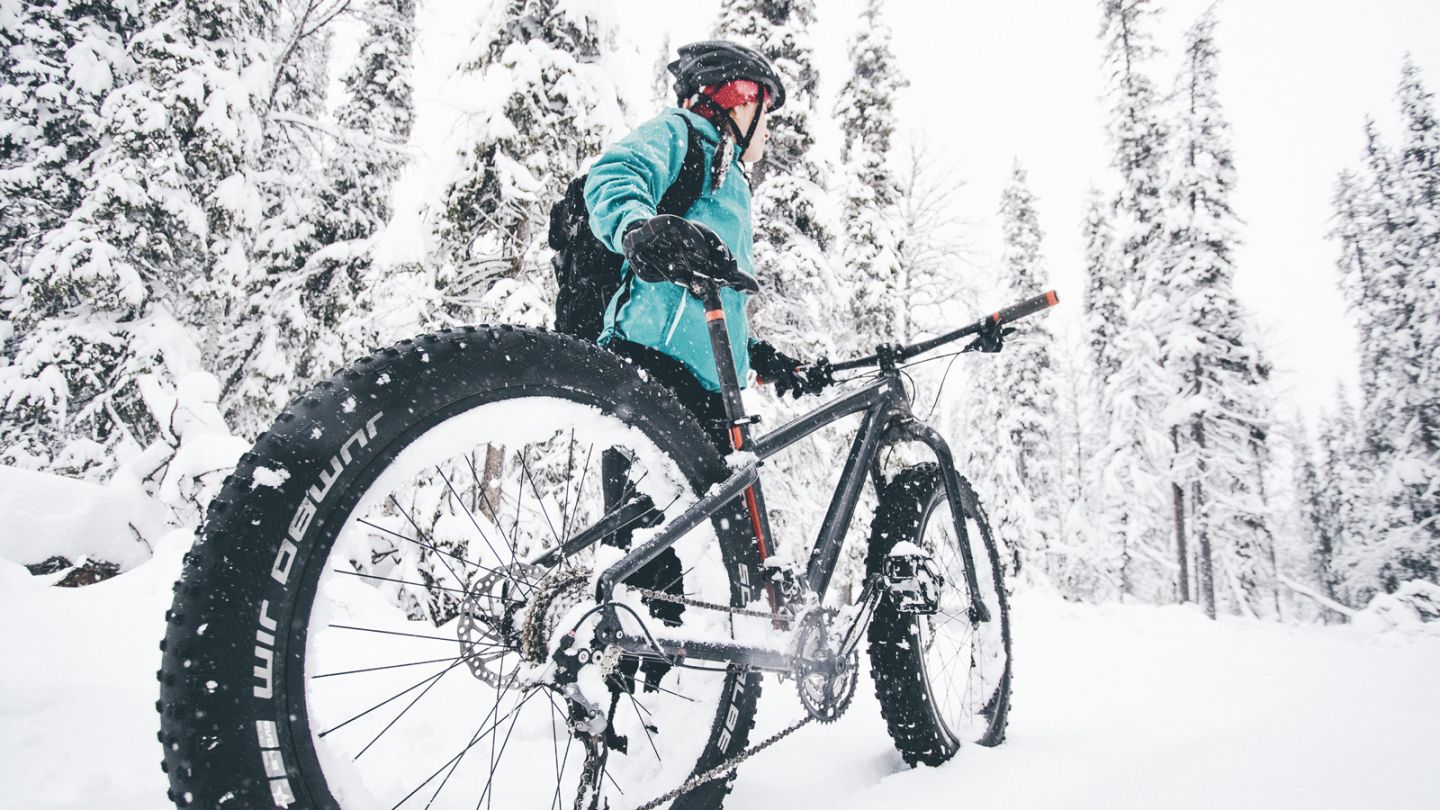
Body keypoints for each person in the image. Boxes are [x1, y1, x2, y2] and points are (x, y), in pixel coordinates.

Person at [584, 39, 830, 455]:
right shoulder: (682, 134)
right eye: (763, 111)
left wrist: (757, 359)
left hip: (715, 393)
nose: (767, 127)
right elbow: (615, 172)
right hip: (652, 366)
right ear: (737, 103)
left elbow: (711, 301)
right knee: (647, 519)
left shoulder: (734, 184)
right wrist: (636, 227)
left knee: (723, 515)